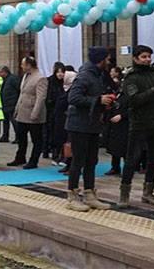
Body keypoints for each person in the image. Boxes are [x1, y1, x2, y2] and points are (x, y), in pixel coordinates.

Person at [117, 45, 154, 207]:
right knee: (132, 159)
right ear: (136, 58)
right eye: (144, 57)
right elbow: (134, 100)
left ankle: (148, 192)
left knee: (153, 160)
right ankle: (124, 194)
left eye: (149, 57)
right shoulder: (131, 77)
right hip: (139, 123)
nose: (147, 59)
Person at [64, 47, 114, 212]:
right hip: (79, 125)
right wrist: (98, 100)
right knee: (78, 160)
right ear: (100, 60)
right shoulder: (85, 76)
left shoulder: (98, 76)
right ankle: (72, 195)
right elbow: (73, 98)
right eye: (107, 58)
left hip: (92, 124)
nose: (109, 61)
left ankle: (89, 193)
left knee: (92, 160)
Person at [10, 56, 48, 169]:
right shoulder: (26, 76)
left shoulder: (40, 78)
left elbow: (41, 97)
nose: (21, 66)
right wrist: (16, 109)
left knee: (36, 139)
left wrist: (35, 113)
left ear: (29, 65)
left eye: (23, 64)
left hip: (33, 113)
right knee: (21, 137)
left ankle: (33, 160)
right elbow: (22, 94)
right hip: (22, 112)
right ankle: (20, 157)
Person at [104, 66, 128, 175]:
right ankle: (115, 167)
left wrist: (122, 116)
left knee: (125, 147)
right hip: (114, 123)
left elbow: (133, 109)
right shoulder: (117, 94)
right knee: (114, 147)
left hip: (125, 123)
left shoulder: (129, 95)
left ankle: (127, 169)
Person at [54, 70, 75, 171]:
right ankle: (67, 162)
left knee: (70, 142)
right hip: (62, 119)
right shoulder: (63, 88)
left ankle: (71, 165)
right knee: (65, 142)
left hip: (69, 119)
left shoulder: (73, 90)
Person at [45, 63, 66, 158]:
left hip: (60, 111)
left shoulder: (64, 83)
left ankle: (57, 152)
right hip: (51, 110)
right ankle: (48, 150)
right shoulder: (50, 81)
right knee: (50, 131)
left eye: (62, 72)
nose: (60, 74)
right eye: (58, 72)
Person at [0, 65, 20, 143]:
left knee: (14, 121)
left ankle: (18, 137)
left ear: (5, 72)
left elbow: (19, 89)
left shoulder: (13, 78)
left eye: (1, 72)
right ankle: (5, 136)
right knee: (5, 121)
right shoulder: (4, 80)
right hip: (5, 103)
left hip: (12, 103)